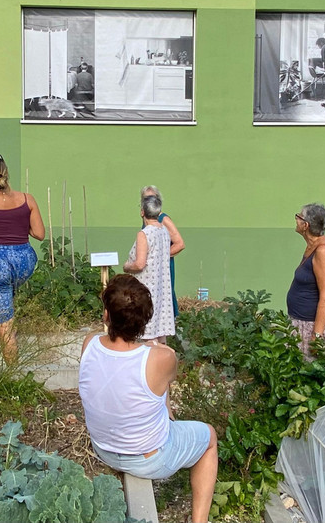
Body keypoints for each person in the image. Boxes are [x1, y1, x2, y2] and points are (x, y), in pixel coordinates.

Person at [79, 274, 217, 523]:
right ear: (145, 319)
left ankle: (167, 421)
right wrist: (161, 350)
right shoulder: (160, 358)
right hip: (148, 459)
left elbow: (119, 363)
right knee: (210, 438)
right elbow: (170, 377)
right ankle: (200, 521)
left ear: (107, 315)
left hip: (103, 448)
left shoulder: (89, 343)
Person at [0, 154, 45, 362]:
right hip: (24, 261)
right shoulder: (27, 199)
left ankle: (12, 374)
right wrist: (20, 227)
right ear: (6, 171)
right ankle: (10, 315)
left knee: (5, 322)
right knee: (8, 298)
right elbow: (39, 234)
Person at [286, 203, 325, 361]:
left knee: (315, 373)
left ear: (305, 225)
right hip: (300, 323)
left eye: (298, 216)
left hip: (311, 326)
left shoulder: (323, 252)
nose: (296, 219)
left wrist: (316, 335)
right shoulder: (312, 246)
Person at [123, 194, 175, 343]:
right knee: (160, 327)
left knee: (146, 329)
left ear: (142, 212)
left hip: (145, 287)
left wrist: (127, 267)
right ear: (159, 212)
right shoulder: (164, 232)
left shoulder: (144, 234)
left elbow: (140, 264)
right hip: (161, 287)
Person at [141, 185, 184, 318]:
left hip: (163, 264)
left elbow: (180, 244)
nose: (149, 201)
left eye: (152, 198)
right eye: (146, 198)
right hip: (151, 266)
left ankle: (171, 325)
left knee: (165, 293)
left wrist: (160, 256)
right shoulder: (147, 220)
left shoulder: (163, 219)